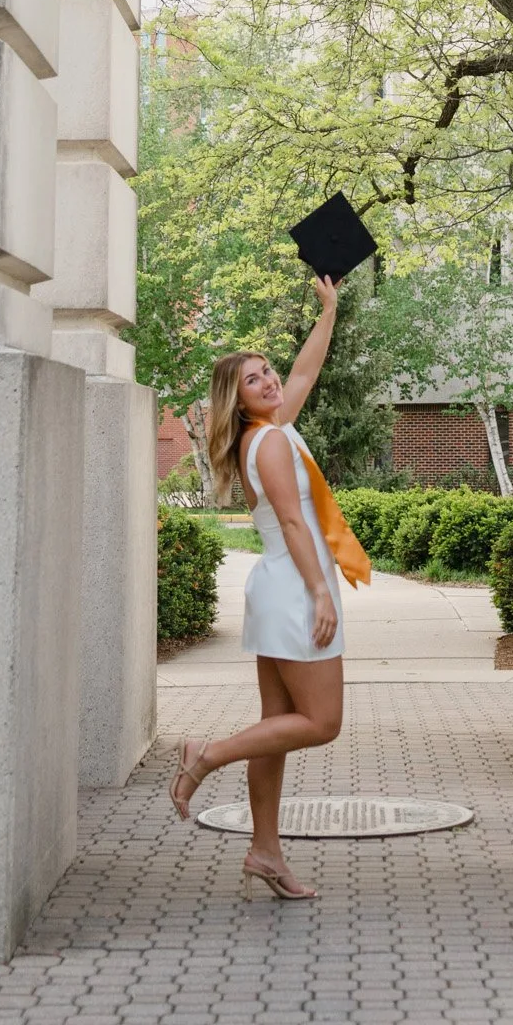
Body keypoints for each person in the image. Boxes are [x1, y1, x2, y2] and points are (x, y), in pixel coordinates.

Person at [168, 273, 371, 899]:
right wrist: (320, 593)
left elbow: (305, 372)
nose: (270, 381)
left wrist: (328, 310)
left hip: (279, 586)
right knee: (322, 722)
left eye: (267, 371)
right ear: (238, 400)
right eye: (253, 380)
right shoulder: (273, 441)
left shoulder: (269, 431)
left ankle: (265, 852)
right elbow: (291, 521)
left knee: (278, 724)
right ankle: (206, 753)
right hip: (295, 590)